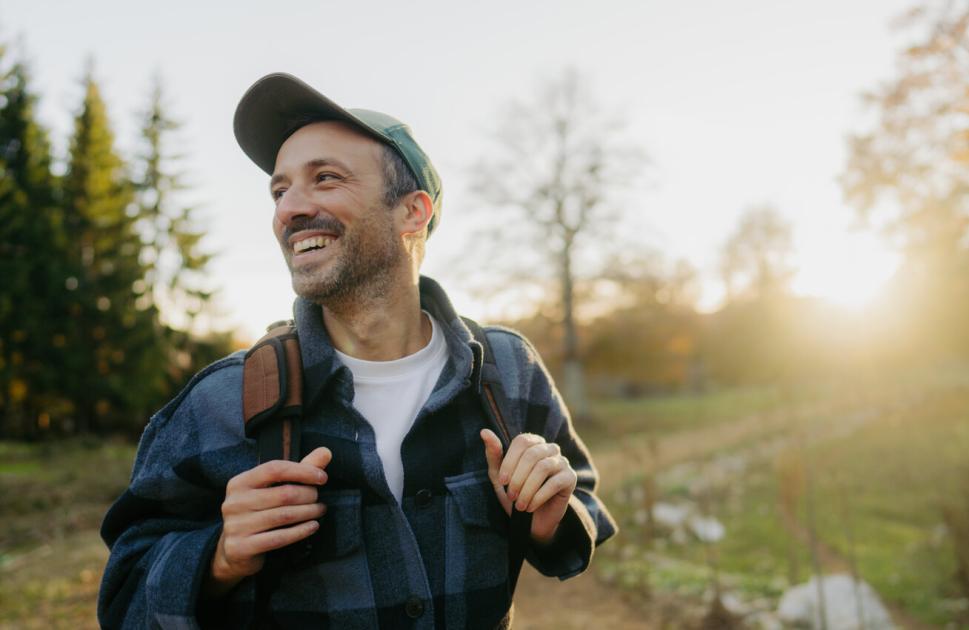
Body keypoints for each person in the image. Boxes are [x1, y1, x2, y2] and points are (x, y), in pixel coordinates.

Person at [98, 73, 616, 629]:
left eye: (325, 178)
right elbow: (124, 595)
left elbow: (580, 501)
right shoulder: (220, 402)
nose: (289, 209)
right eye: (279, 190)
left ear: (412, 212)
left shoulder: (508, 372)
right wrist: (219, 557)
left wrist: (548, 519)